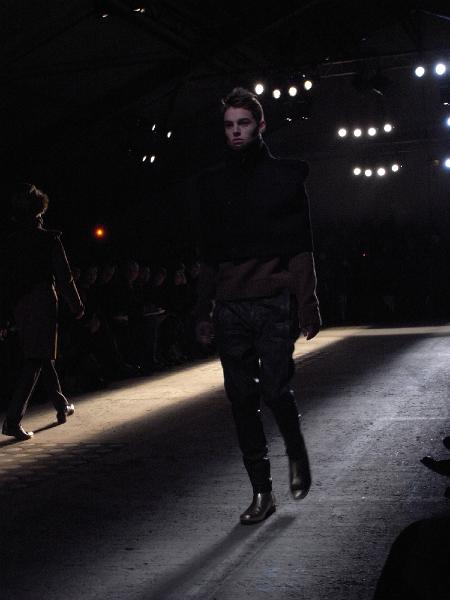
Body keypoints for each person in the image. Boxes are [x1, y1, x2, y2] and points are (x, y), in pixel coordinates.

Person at [194, 87, 321, 524]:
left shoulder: (285, 179)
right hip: (230, 306)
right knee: (241, 398)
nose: (235, 132)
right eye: (229, 125)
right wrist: (202, 310)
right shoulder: (212, 185)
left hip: (273, 303)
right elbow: (208, 256)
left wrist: (308, 304)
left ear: (261, 125)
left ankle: (295, 445)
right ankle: (262, 492)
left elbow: (301, 248)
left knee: (274, 389)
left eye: (243, 124)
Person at [0, 183, 84, 440]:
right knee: (36, 359)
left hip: (20, 305)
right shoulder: (49, 239)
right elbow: (64, 277)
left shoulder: (10, 243)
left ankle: (61, 405)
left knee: (41, 357)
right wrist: (77, 305)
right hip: (42, 301)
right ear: (39, 212)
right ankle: (12, 420)